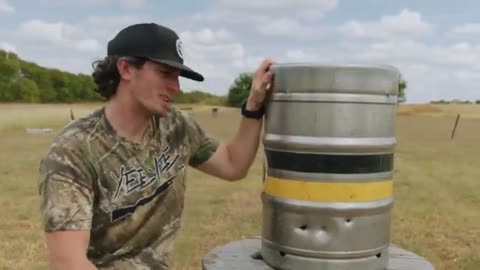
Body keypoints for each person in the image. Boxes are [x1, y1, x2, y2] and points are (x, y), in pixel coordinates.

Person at [38, 23, 273, 270]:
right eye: (165, 73)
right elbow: (68, 262)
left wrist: (254, 104)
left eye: (177, 77)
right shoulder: (73, 150)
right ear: (126, 69)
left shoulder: (176, 126)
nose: (177, 87)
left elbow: (232, 165)